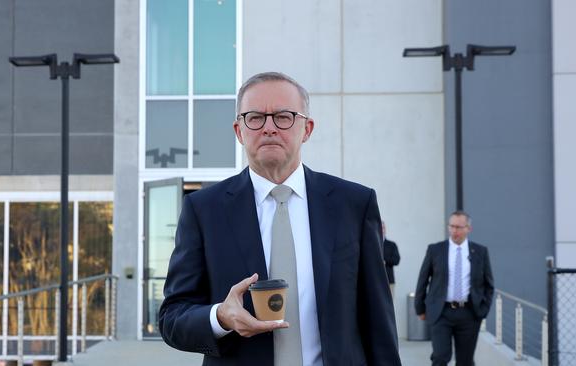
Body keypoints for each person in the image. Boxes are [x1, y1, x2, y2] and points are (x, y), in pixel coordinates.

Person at [159, 72, 401, 366]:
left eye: (284, 117)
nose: (269, 128)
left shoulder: (353, 204)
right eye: (255, 117)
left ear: (307, 129)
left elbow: (378, 319)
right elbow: (173, 316)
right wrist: (220, 316)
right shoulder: (204, 210)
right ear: (239, 131)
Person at [414, 211, 494, 366]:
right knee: (440, 357)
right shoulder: (435, 250)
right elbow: (422, 280)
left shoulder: (480, 252)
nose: (454, 231)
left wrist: (483, 310)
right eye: (451, 226)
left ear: (468, 228)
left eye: (459, 227)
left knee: (465, 361)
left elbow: (489, 284)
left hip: (469, 314)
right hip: (441, 312)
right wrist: (420, 309)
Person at [381, 221, 400, 298]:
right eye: (380, 227)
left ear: (385, 229)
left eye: (383, 228)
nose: (381, 230)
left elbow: (396, 260)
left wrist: (385, 261)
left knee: (389, 304)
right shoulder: (371, 244)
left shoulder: (391, 245)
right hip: (375, 280)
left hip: (389, 280)